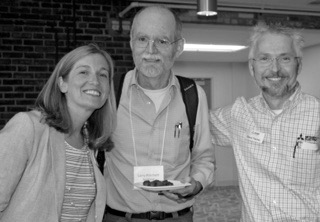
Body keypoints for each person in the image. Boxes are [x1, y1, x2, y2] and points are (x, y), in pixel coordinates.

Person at [103, 5, 215, 222]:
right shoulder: (110, 92)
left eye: (162, 41)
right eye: (142, 39)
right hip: (119, 217)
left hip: (177, 217)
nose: (150, 50)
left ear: (178, 47)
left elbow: (204, 157)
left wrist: (197, 183)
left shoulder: (193, 95)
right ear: (131, 43)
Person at [210, 21, 320, 221]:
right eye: (264, 59)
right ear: (252, 68)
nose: (275, 69)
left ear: (299, 65)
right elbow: (190, 123)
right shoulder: (238, 114)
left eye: (284, 58)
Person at [0, 43, 117, 222]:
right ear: (62, 84)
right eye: (83, 72)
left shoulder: (91, 144)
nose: (95, 81)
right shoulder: (29, 127)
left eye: (103, 75)